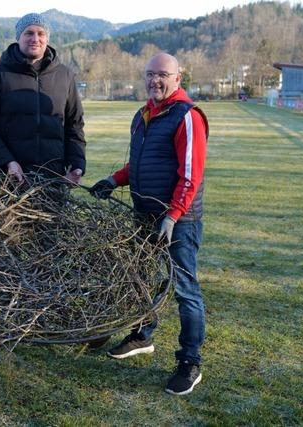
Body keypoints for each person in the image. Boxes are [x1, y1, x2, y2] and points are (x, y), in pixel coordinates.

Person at [90, 52, 208, 396]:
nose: (155, 80)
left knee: (185, 289)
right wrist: (114, 180)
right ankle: (142, 336)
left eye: (163, 75)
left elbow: (191, 175)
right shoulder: (143, 115)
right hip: (144, 214)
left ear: (178, 77)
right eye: (150, 74)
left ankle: (190, 361)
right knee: (141, 278)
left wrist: (172, 217)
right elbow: (141, 163)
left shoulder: (187, 116)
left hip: (179, 219)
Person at [0, 13, 86, 185]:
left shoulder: (65, 76)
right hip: (8, 180)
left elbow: (74, 125)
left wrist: (77, 164)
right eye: (29, 33)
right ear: (18, 37)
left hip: (52, 179)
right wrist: (7, 162)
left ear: (47, 38)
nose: (35, 38)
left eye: (41, 34)